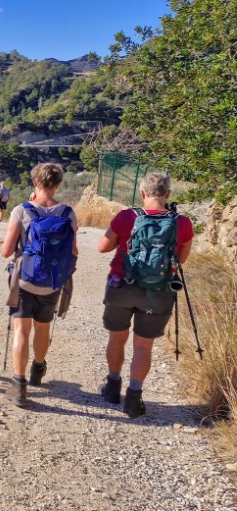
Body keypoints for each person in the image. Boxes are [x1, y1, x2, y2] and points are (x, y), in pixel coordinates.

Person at [97, 172, 193, 417]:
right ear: (167, 194)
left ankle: (112, 386)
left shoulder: (126, 217)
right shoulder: (182, 223)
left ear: (142, 193)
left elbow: (102, 247)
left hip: (121, 285)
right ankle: (133, 397)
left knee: (117, 338)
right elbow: (181, 259)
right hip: (158, 291)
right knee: (143, 346)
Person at [1, 163, 78, 407]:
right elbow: (74, 251)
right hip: (52, 282)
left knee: (21, 330)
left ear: (35, 183)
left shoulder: (21, 211)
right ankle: (38, 368)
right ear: (57, 185)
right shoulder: (68, 214)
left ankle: (19, 385)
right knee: (42, 328)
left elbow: (6, 251)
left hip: (24, 280)